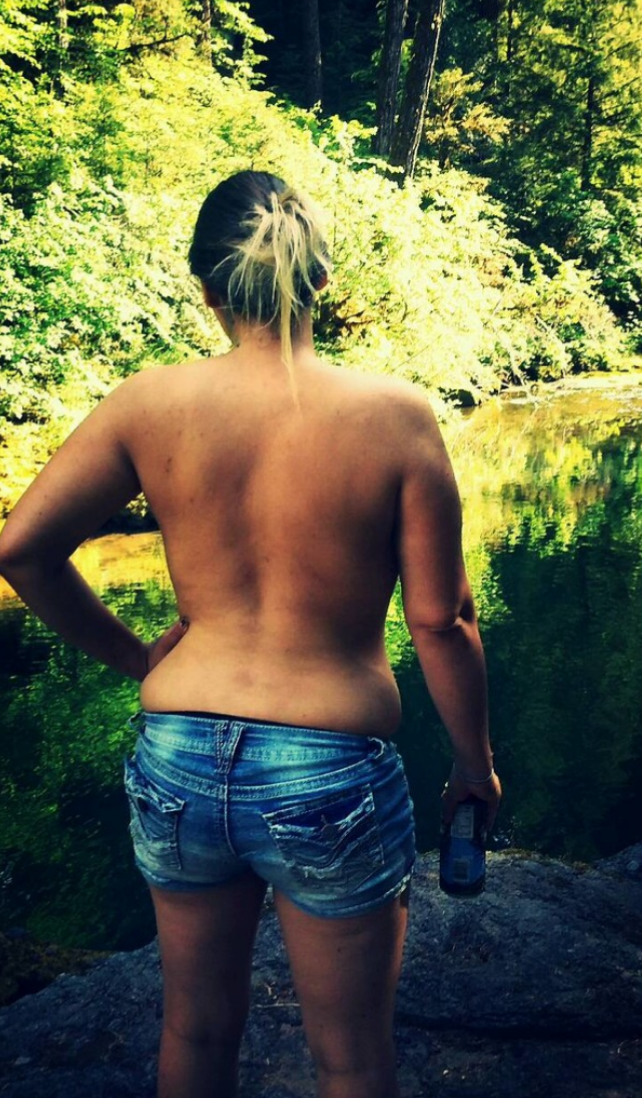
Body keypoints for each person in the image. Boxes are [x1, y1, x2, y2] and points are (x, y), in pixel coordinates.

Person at [0, 169, 501, 1098]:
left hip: (178, 754)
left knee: (194, 1030)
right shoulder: (394, 416)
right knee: (350, 1059)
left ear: (206, 289)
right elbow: (442, 620)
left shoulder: (146, 403)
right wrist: (473, 765)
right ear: (321, 282)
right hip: (328, 766)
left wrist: (136, 656)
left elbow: (22, 550)